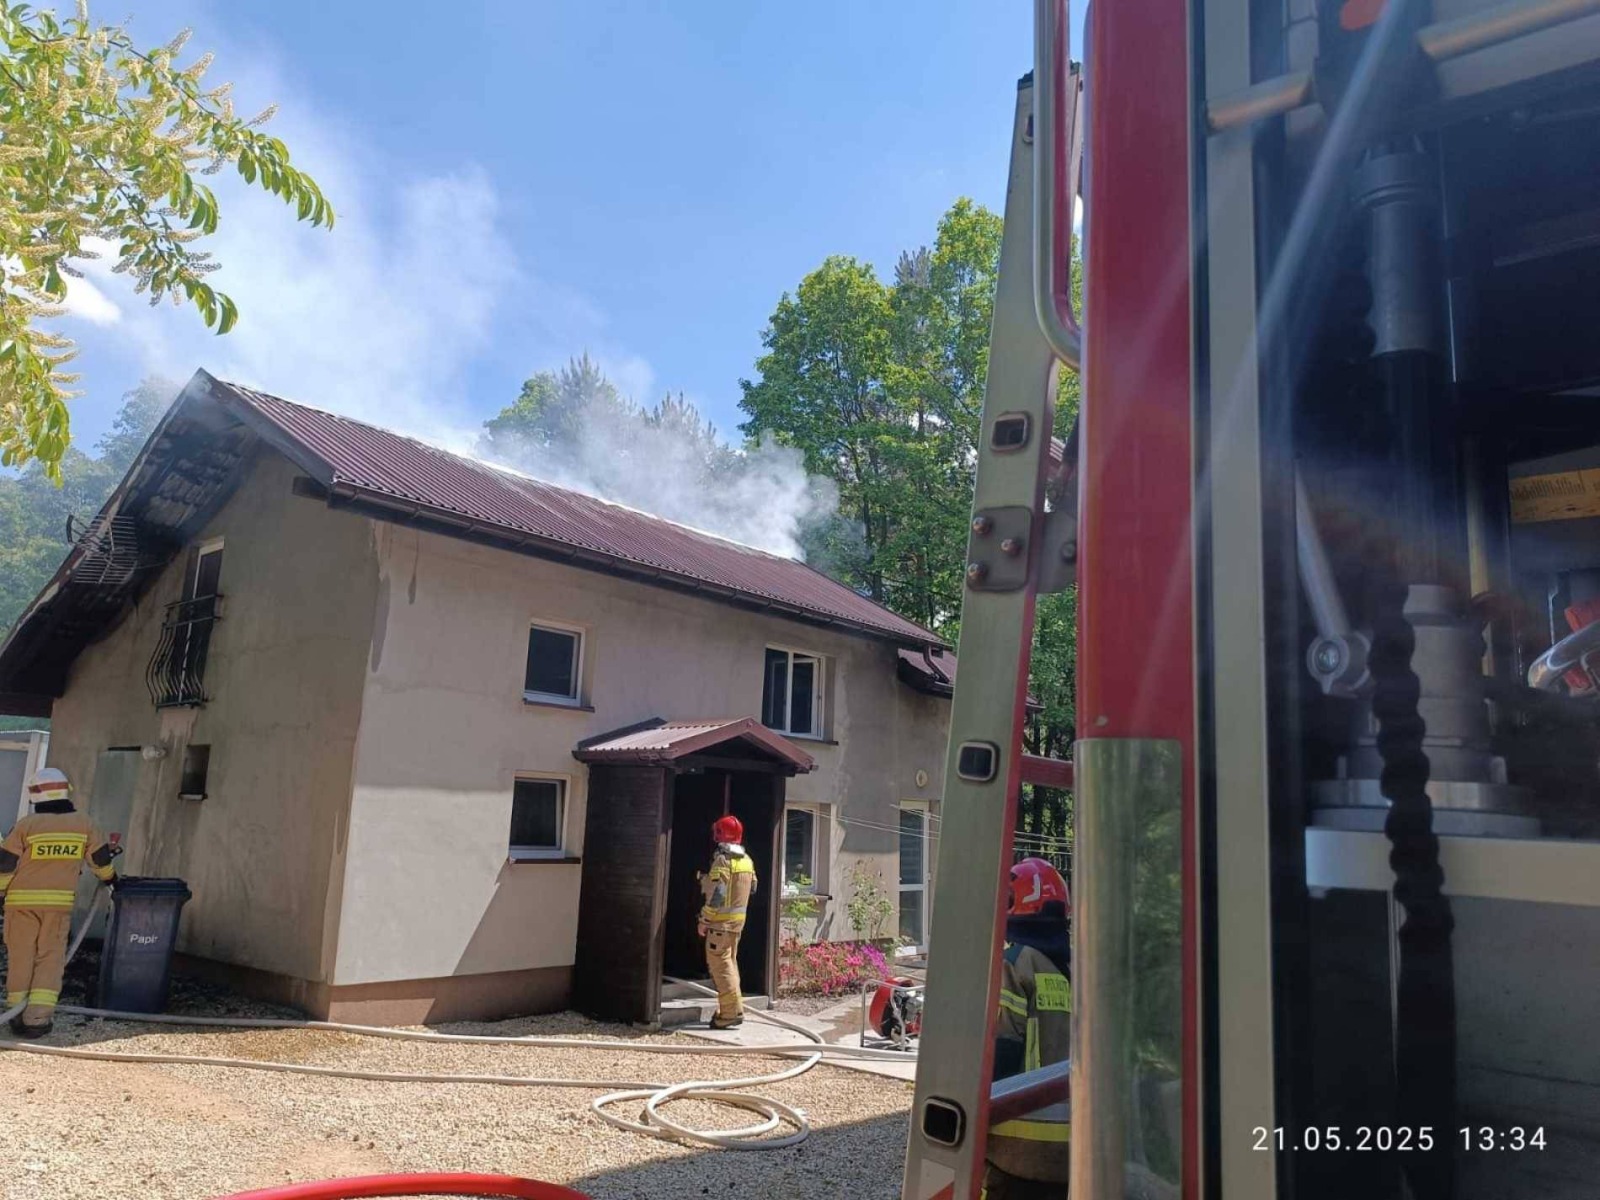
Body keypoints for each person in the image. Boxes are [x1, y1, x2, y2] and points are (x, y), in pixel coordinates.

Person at [0, 768, 117, 1038]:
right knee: (50, 960)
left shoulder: (26, 825)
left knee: (21, 957)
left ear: (35, 795)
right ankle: (37, 1020)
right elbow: (100, 861)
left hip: (21, 905)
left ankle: (16, 1014)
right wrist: (112, 880)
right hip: (58, 906)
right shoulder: (85, 824)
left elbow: (6, 866)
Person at [985, 856, 1072, 1200]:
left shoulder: (1015, 964)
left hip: (1018, 1151)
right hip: (1073, 1153)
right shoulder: (1079, 967)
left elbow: (1001, 1051)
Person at [697, 813, 757, 1030]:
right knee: (730, 965)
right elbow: (752, 888)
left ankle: (730, 1013)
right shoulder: (747, 861)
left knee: (721, 967)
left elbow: (718, 894)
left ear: (721, 834)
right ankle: (734, 1008)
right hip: (736, 925)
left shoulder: (723, 860)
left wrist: (705, 919)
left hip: (720, 925)